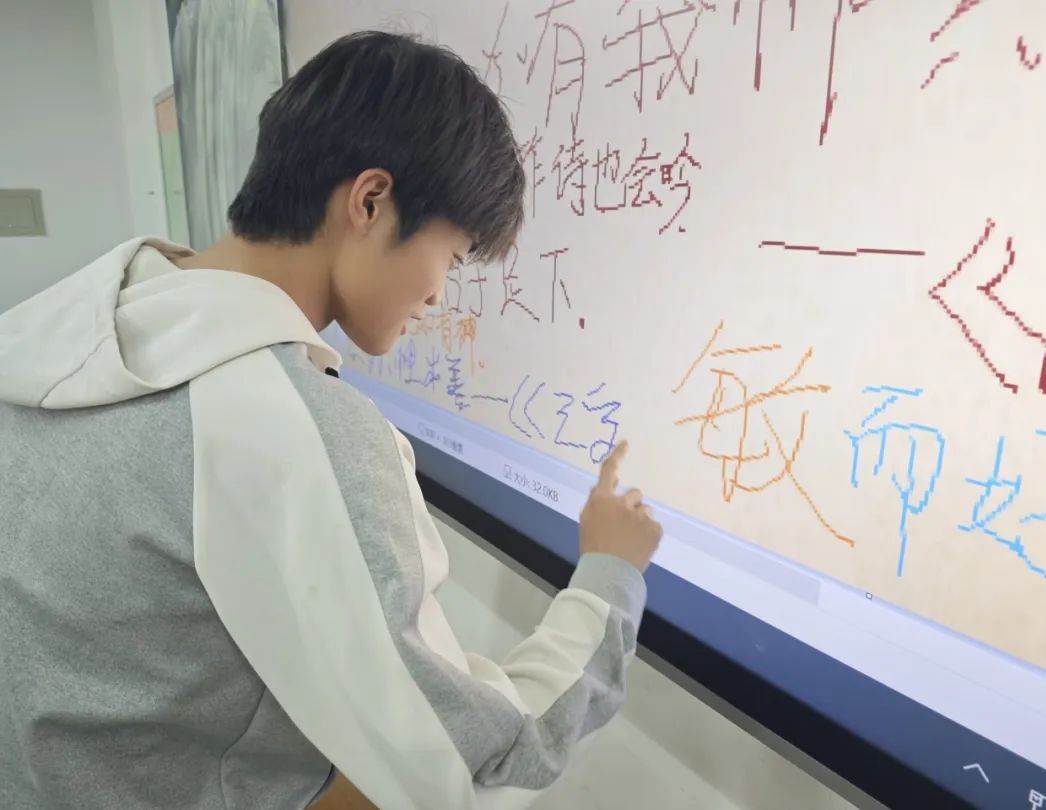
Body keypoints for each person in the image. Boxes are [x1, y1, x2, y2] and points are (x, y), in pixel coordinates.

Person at [0, 30, 663, 810]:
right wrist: (609, 575)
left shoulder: (56, 327)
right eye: (451, 259)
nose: (438, 295)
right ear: (369, 200)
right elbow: (481, 765)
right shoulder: (281, 424)